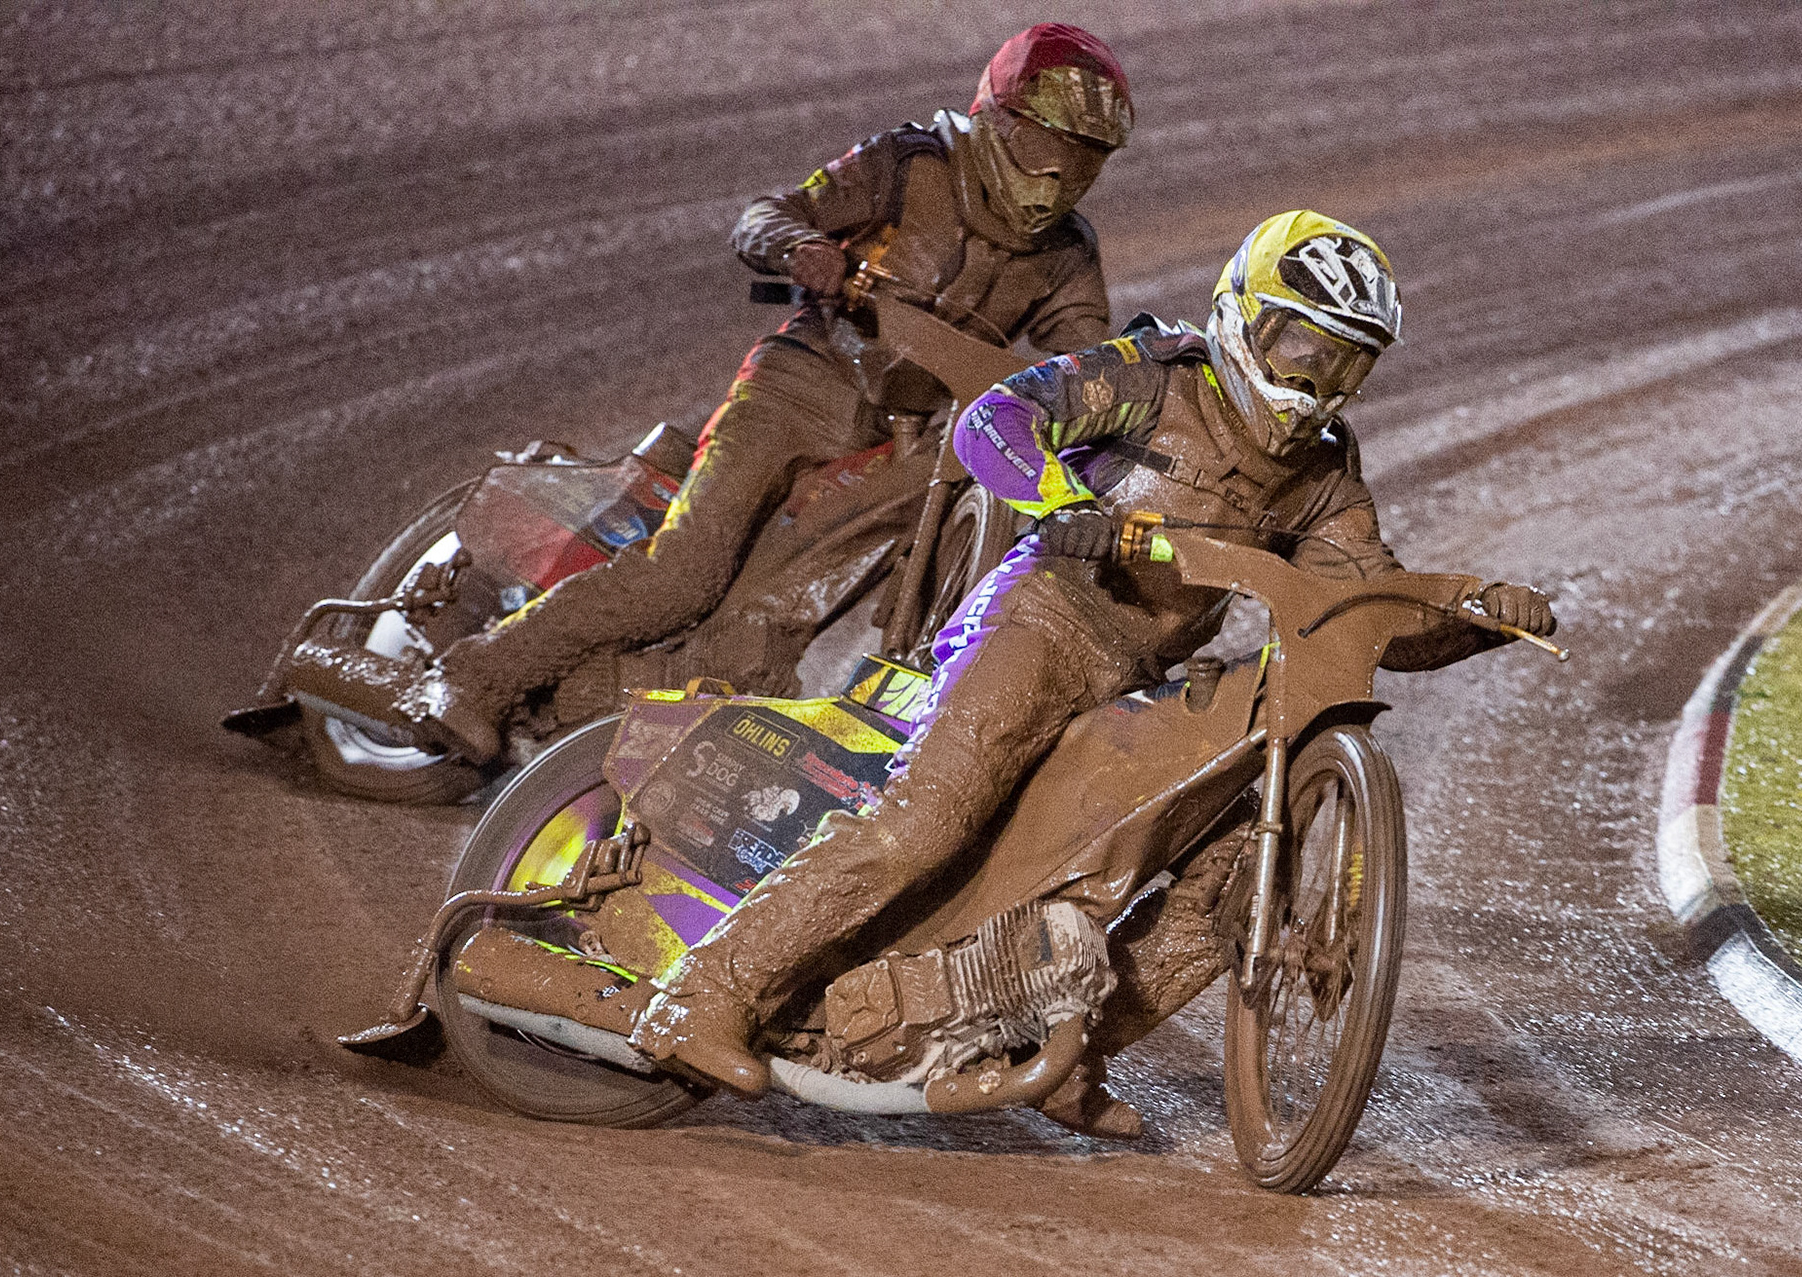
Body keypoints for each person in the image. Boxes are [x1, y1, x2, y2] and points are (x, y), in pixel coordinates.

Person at [619, 210, 1558, 1136]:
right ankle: (703, 992)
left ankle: (1069, 1056)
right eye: (1303, 349)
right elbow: (996, 418)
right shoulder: (1155, 374)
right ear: (1244, 314)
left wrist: (1474, 624)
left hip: (1133, 678)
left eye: (1345, 364)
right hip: (1040, 621)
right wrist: (1062, 497)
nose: (1317, 384)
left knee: (1231, 872)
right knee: (924, 822)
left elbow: (1359, 607)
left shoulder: (1324, 472)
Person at [312, 24, 1134, 762]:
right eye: (1044, 146)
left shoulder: (1067, 254)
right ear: (995, 119)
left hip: (906, 444)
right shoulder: (909, 164)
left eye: (1083, 162)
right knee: (684, 576)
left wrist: (1130, 390)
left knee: (758, 642)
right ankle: (474, 676)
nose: (1056, 178)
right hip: (801, 382)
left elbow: (1085, 357)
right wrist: (803, 248)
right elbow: (763, 216)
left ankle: (594, 714)